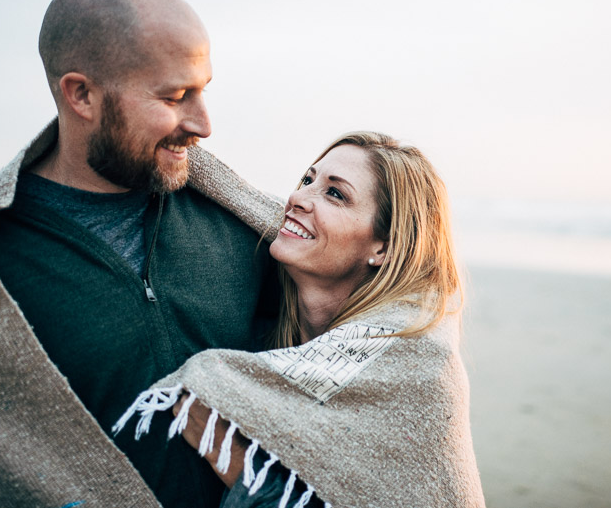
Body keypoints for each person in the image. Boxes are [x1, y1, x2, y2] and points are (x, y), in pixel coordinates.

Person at [0, 0, 282, 508]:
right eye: (176, 96)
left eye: (204, 91)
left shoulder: (241, 228)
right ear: (82, 95)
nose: (204, 123)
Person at [114, 132, 486, 508]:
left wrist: (223, 438)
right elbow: (244, 198)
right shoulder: (273, 332)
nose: (297, 198)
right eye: (307, 180)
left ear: (383, 248)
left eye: (335, 194)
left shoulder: (418, 362)